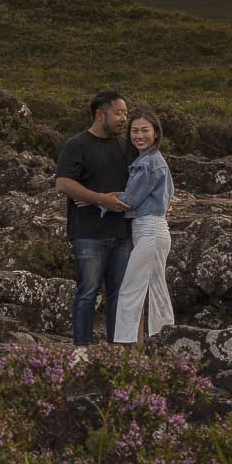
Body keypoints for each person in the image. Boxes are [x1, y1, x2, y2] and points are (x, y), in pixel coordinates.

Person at [55, 90, 132, 345]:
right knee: (87, 293)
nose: (124, 118)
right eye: (119, 112)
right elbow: (64, 183)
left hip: (122, 234)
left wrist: (163, 204)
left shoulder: (125, 145)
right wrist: (100, 199)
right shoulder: (77, 145)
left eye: (126, 113)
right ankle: (81, 350)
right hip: (88, 234)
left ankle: (115, 351)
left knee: (118, 295)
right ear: (101, 114)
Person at [109, 109, 175, 343]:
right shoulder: (156, 160)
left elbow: (130, 200)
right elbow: (166, 196)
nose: (139, 135)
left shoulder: (147, 163)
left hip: (149, 231)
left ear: (156, 133)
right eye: (134, 131)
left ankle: (123, 347)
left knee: (131, 290)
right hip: (156, 229)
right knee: (156, 289)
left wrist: (95, 200)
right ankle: (165, 339)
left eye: (145, 130)